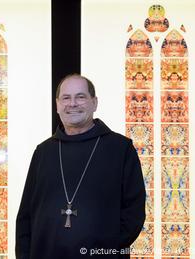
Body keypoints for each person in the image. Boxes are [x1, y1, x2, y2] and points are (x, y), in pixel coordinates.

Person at [16, 74, 146, 258]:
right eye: (66, 98)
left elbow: (134, 212)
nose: (72, 103)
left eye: (81, 97)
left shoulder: (120, 149)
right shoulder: (43, 152)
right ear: (57, 105)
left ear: (95, 103)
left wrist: (105, 250)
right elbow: (26, 216)